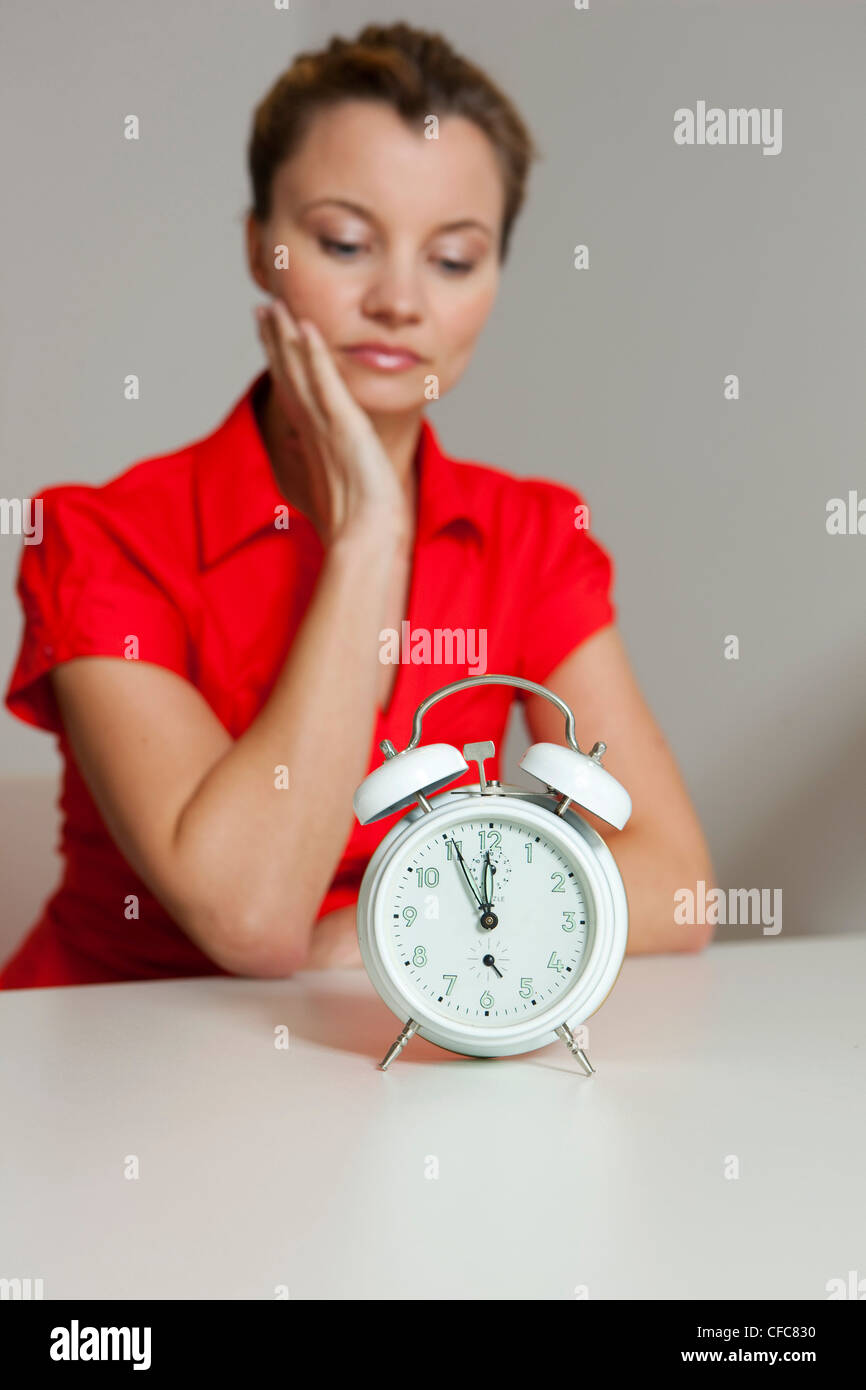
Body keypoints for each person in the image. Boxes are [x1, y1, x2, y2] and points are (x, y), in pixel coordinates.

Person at [1, 21, 716, 990]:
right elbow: (250, 917)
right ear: (261, 249)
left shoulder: (529, 536)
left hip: (379, 1056)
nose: (397, 299)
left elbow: (674, 885)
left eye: (454, 259)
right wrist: (369, 534)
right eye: (344, 241)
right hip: (109, 1063)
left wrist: (393, 933)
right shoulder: (101, 538)